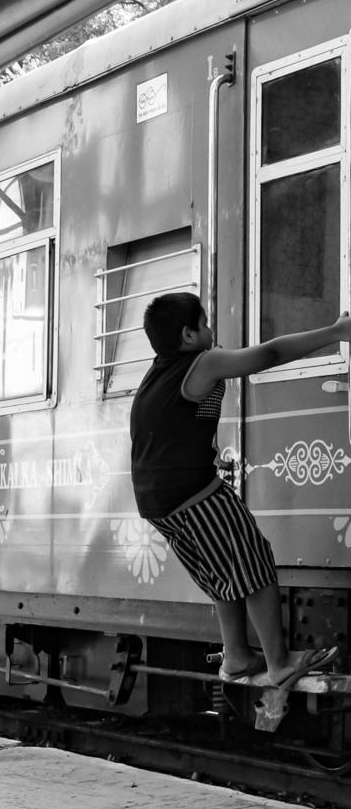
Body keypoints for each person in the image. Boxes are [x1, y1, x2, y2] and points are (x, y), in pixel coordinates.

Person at [131, 292, 345, 690]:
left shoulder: (159, 372)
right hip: (190, 491)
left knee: (223, 570)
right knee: (253, 559)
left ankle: (237, 656)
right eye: (206, 323)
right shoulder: (203, 361)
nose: (213, 330)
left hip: (157, 500)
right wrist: (336, 332)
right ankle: (280, 663)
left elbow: (164, 430)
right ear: (188, 334)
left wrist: (205, 460)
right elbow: (271, 353)